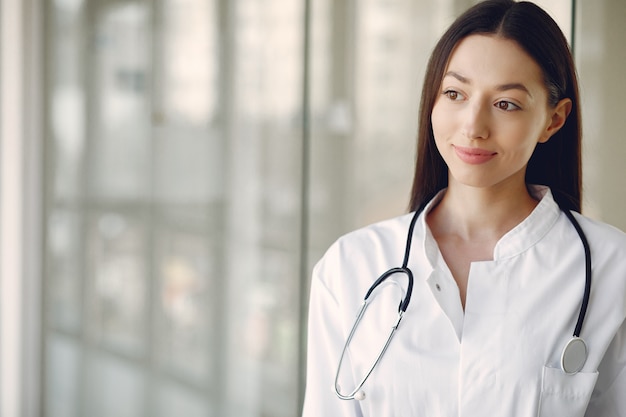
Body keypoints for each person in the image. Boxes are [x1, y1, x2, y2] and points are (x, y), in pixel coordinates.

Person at [301, 1, 626, 416]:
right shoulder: (352, 266)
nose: (473, 126)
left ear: (553, 120)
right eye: (455, 94)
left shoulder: (610, 268)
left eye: (506, 103)